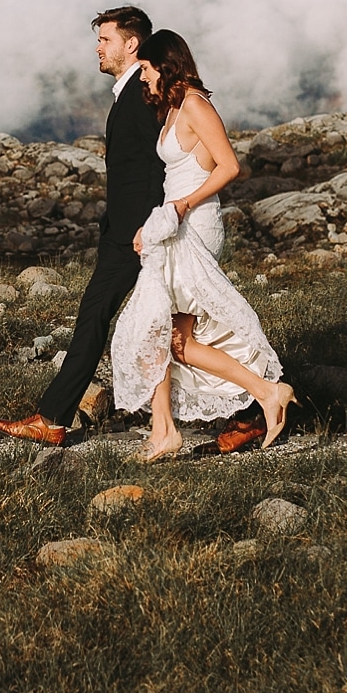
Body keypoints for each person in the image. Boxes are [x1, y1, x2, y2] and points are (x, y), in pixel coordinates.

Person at [111, 30, 293, 462]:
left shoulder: (194, 104)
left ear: (165, 65)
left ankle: (178, 426)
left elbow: (230, 166)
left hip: (193, 226)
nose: (143, 78)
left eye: (148, 69)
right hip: (172, 224)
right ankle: (181, 423)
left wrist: (180, 207)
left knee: (159, 331)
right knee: (167, 336)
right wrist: (156, 221)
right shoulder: (173, 107)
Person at [0, 6, 166, 447]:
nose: (98, 48)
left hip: (137, 234)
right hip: (127, 230)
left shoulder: (140, 96)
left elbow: (155, 167)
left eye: (105, 40)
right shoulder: (129, 93)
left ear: (131, 44)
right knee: (180, 320)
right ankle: (255, 404)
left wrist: (148, 226)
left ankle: (52, 418)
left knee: (97, 318)